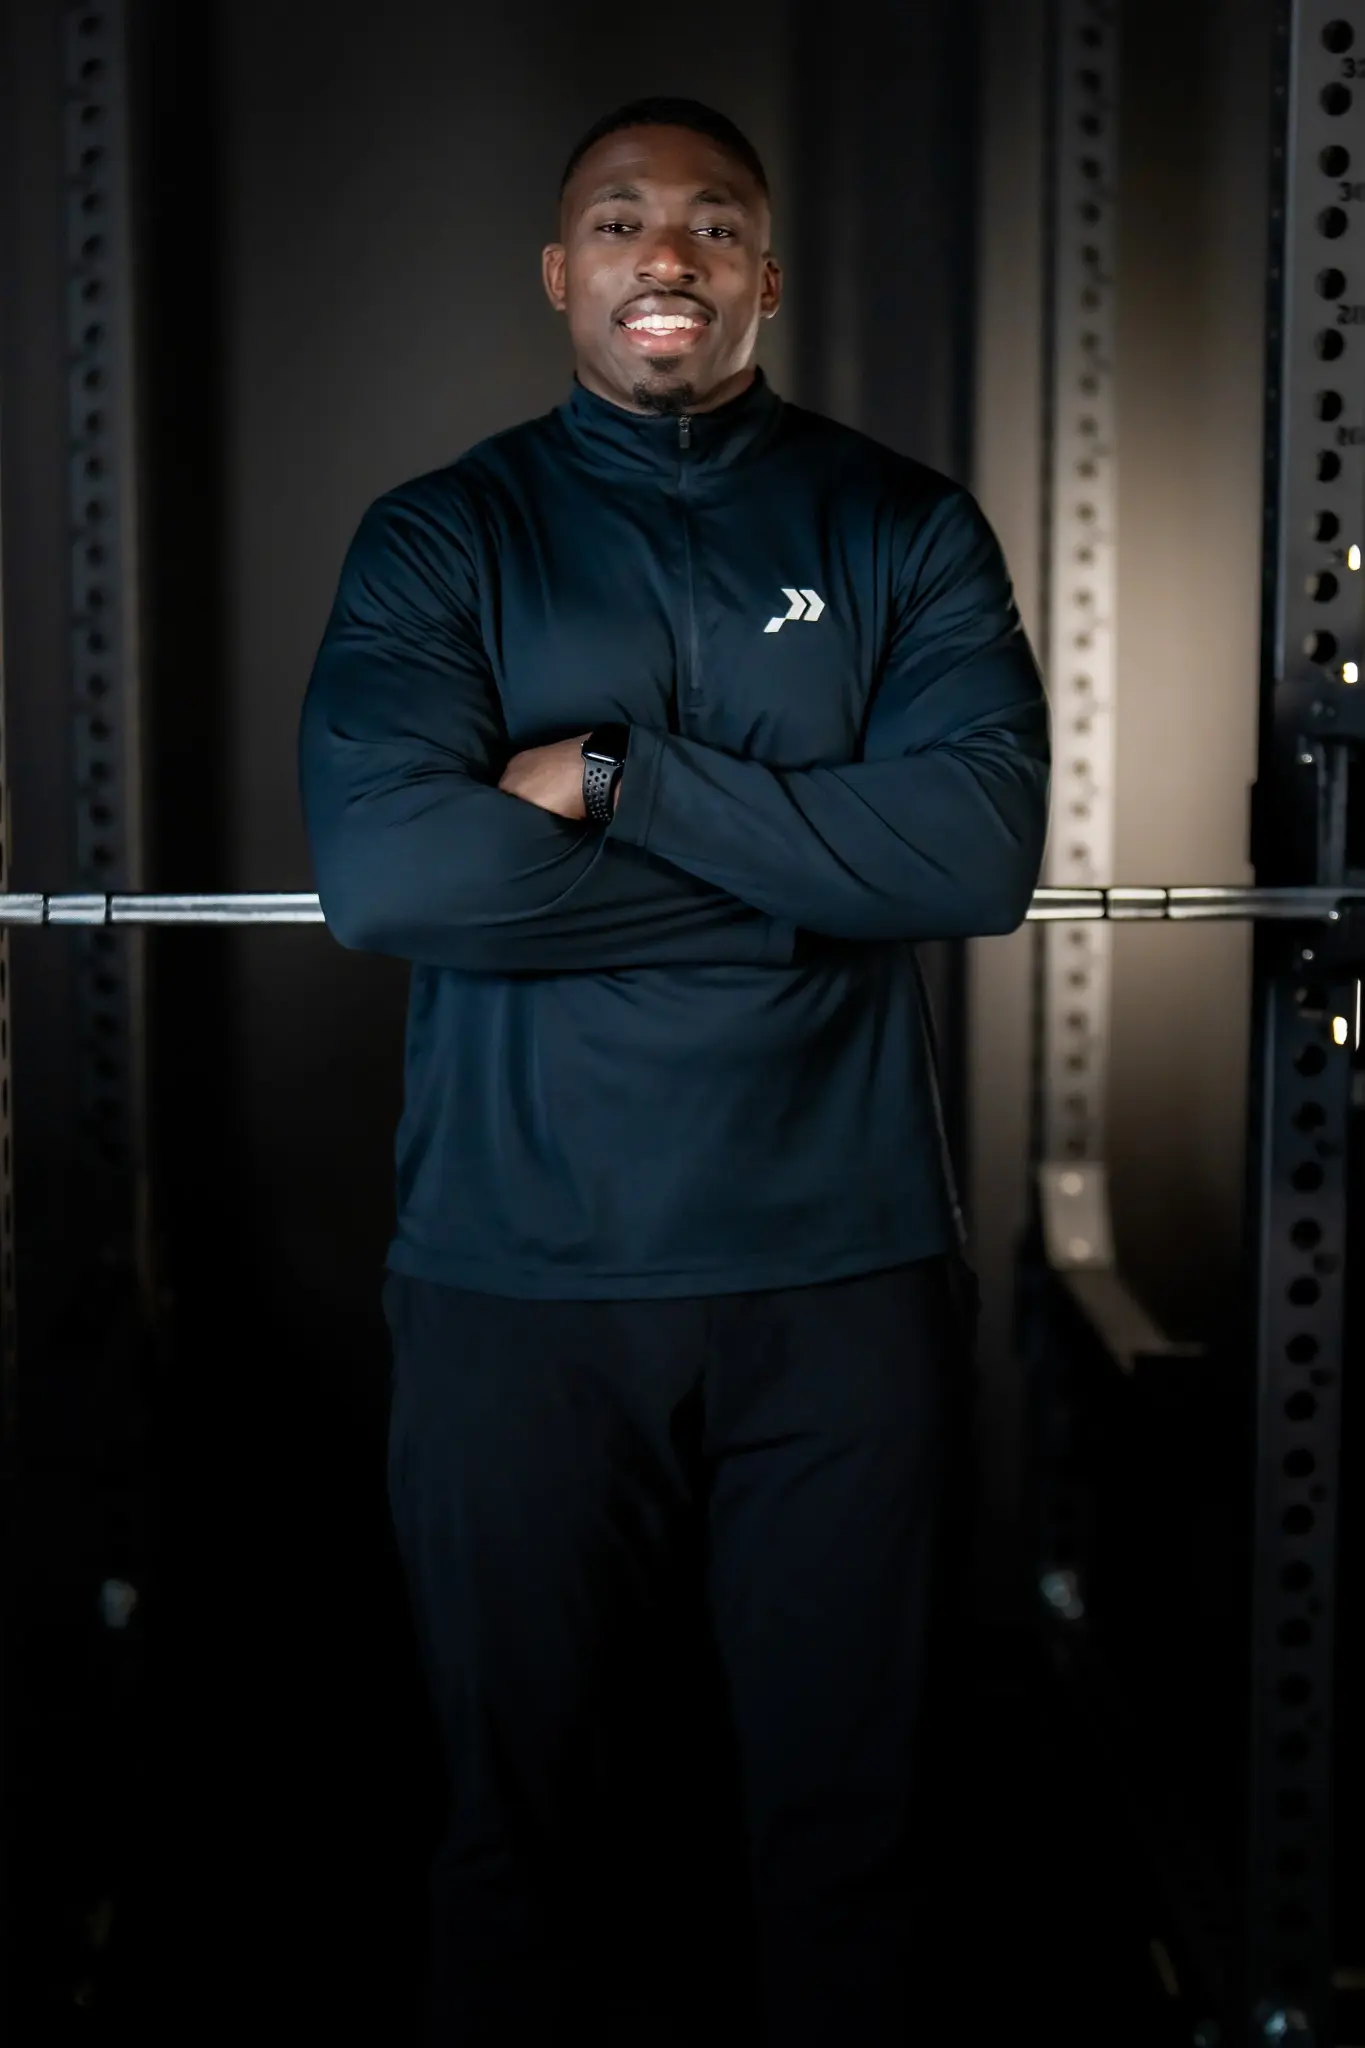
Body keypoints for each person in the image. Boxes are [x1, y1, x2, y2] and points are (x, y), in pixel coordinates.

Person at [298, 93, 1049, 2048]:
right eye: (623, 221)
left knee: (855, 1840)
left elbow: (970, 858)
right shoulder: (444, 536)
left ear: (765, 280)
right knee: (521, 1841)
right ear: (561, 273)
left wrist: (619, 776)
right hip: (516, 1281)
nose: (668, 255)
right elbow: (393, 879)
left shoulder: (901, 528)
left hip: (840, 1280)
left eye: (714, 225)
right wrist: (813, 884)